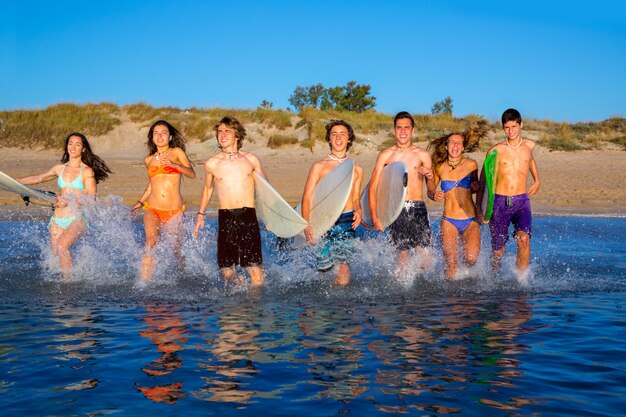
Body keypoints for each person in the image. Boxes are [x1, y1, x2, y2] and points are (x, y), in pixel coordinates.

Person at [18, 132, 112, 276]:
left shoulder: (87, 171)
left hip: (77, 218)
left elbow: (91, 196)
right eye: (70, 143)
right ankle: (68, 279)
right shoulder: (59, 168)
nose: (73, 147)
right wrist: (15, 182)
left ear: (83, 149)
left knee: (62, 247)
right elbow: (39, 178)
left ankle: (68, 284)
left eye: (77, 144)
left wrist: (69, 200)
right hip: (57, 219)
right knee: (57, 254)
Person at [193, 115, 266, 287]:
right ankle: (239, 287)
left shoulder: (251, 159)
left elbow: (266, 188)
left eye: (227, 131)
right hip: (226, 217)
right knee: (226, 270)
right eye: (219, 132)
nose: (222, 135)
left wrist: (271, 217)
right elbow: (208, 189)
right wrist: (200, 214)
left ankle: (256, 306)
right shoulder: (212, 163)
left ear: (237, 135)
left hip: (248, 216)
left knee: (254, 269)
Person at [369, 111, 436, 274]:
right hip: (396, 209)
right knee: (402, 255)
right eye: (399, 128)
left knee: (425, 256)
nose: (403, 131)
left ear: (412, 130)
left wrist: (431, 176)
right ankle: (400, 290)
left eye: (407, 127)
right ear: (394, 130)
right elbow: (373, 187)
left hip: (418, 208)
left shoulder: (422, 155)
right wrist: (374, 216)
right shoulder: (386, 155)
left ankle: (422, 290)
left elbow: (432, 192)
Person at [477, 108, 540, 274]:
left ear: (521, 125)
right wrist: (481, 209)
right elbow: (484, 181)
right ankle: (494, 279)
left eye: (514, 126)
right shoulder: (495, 151)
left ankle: (521, 280)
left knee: (524, 239)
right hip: (499, 202)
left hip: (522, 201)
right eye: (507, 127)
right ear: (503, 128)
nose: (511, 131)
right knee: (498, 250)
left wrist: (537, 180)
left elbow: (530, 160)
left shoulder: (529, 146)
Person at [301, 120, 363, 286]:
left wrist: (359, 210)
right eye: (334, 133)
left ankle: (340, 308)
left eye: (342, 134)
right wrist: (307, 224)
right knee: (325, 270)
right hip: (323, 221)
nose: (338, 137)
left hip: (346, 220)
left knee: (344, 270)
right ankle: (325, 307)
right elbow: (307, 197)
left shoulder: (356, 169)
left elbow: (356, 198)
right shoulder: (319, 166)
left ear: (349, 139)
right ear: (329, 138)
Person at [131, 120, 195, 280]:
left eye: (164, 132)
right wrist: (140, 202)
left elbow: (192, 173)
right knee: (151, 242)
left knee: (176, 250)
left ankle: (184, 276)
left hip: (174, 210)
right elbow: (152, 185)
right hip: (152, 208)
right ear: (152, 137)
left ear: (170, 136)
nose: (160, 136)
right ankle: (144, 282)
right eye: (156, 133)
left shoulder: (176, 152)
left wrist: (175, 165)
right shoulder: (149, 160)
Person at [428, 125, 486, 279]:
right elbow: (430, 189)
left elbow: (476, 189)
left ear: (463, 146)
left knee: (471, 259)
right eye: (452, 142)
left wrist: (475, 187)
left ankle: (465, 279)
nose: (455, 145)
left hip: (470, 219)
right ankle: (451, 297)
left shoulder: (471, 165)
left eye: (459, 142)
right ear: (446, 146)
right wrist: (434, 195)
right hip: (449, 220)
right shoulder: (439, 167)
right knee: (451, 262)